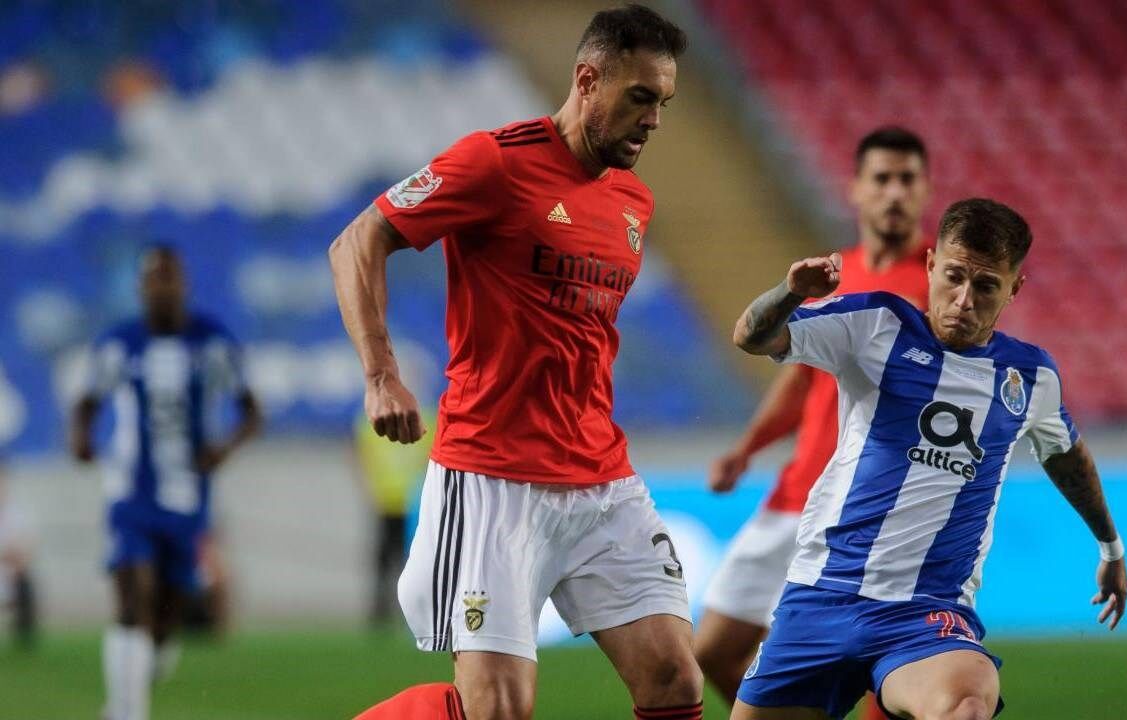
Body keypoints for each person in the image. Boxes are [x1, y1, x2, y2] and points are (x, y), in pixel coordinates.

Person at [331, 6, 702, 720]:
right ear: (587, 80)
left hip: (600, 477)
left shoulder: (634, 200)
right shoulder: (495, 162)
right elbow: (357, 241)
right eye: (640, 97)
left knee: (675, 680)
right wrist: (381, 375)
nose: (654, 120)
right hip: (493, 480)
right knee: (499, 709)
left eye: (663, 102)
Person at [729, 198, 1127, 720]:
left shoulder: (1031, 377)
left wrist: (1111, 547)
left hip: (925, 615)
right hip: (821, 594)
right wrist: (790, 293)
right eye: (954, 277)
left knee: (965, 704)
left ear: (1014, 289)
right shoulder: (875, 323)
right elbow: (752, 337)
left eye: (986, 286)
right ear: (931, 265)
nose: (964, 300)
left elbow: (1067, 458)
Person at [696, 127, 931, 720]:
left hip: (873, 508)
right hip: (799, 490)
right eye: (882, 179)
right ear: (855, 189)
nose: (895, 192)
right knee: (714, 650)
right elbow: (801, 378)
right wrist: (748, 449)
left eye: (907, 179)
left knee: (883, 672)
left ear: (926, 190)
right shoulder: (833, 274)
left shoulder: (939, 284)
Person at [69, 245, 261, 720]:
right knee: (133, 593)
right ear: (140, 288)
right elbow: (88, 401)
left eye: (169, 277)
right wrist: (81, 438)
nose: (162, 288)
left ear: (184, 284)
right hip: (130, 491)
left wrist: (224, 448)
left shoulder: (212, 342)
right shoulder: (120, 344)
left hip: (188, 496)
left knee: (165, 616)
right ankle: (126, 710)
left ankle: (142, 669)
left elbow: (251, 410)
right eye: (153, 279)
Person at [352, 407, 433, 626]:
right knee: (385, 560)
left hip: (412, 504)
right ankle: (382, 610)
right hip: (386, 501)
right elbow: (360, 455)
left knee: (411, 561)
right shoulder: (371, 419)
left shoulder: (426, 417)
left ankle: (413, 610)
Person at [0, 458, 37, 649]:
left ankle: (24, 637)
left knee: (26, 581)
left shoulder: (17, 515)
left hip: (11, 576)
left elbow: (26, 553)